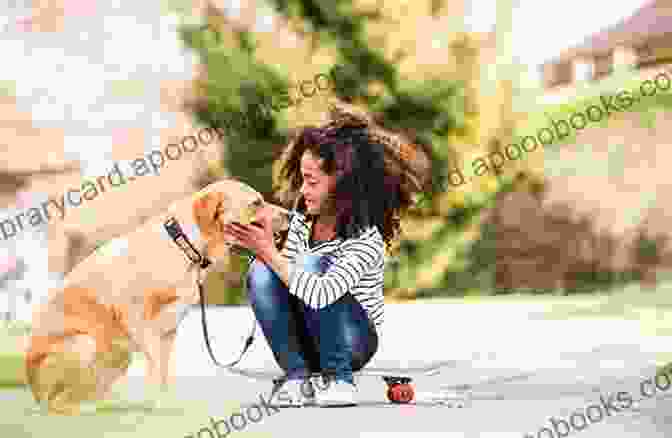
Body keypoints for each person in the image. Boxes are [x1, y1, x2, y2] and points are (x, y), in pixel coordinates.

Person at [223, 106, 430, 407]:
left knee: (305, 265)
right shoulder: (303, 220)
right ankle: (297, 378)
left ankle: (339, 379)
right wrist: (258, 244)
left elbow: (320, 294)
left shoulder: (365, 238)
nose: (303, 190)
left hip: (353, 342)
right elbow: (285, 283)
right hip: (307, 336)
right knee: (261, 271)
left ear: (343, 184)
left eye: (312, 181)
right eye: (303, 179)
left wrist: (268, 251)